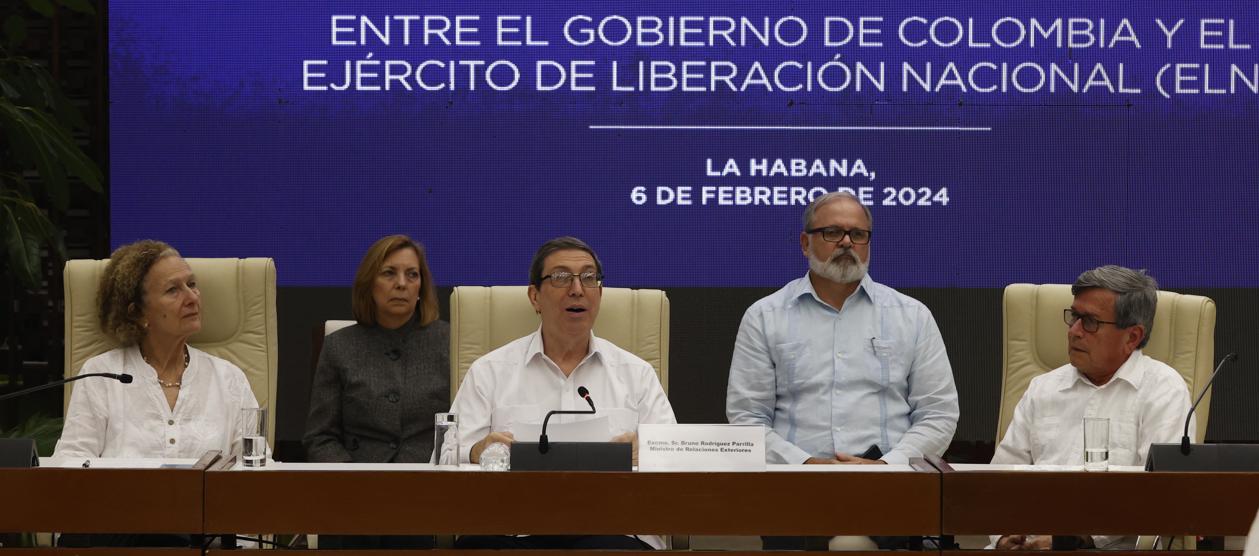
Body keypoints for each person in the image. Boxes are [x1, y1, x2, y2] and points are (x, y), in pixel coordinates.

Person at [725, 192, 959, 550]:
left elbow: (938, 413)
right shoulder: (764, 317)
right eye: (833, 232)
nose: (847, 242)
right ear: (805, 243)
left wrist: (888, 467)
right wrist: (804, 464)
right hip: (795, 490)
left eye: (858, 234)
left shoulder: (912, 316)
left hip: (893, 491)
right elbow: (747, 418)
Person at [449, 236, 675, 550]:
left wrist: (648, 453)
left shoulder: (636, 375)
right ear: (534, 297)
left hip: (613, 534)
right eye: (561, 277)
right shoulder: (489, 371)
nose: (577, 289)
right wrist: (475, 451)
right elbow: (444, 462)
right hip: (511, 533)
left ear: (600, 294)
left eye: (589, 278)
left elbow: (676, 464)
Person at [54, 240, 260, 547]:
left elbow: (255, 479)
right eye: (173, 290)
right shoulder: (101, 375)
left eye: (192, 285)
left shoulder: (229, 379)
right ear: (138, 313)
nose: (192, 297)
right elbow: (70, 468)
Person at [991, 266, 1192, 551]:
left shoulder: (1163, 390)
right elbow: (999, 480)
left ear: (1132, 337)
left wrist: (1067, 541)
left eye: (1089, 322)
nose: (1074, 331)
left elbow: (1158, 496)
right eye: (1074, 317)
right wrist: (1003, 536)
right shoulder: (1043, 388)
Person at [303, 234, 449, 550]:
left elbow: (462, 430)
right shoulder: (339, 346)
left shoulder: (449, 343)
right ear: (369, 284)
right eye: (389, 273)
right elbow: (320, 437)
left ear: (422, 288)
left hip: (424, 494)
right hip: (352, 495)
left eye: (412, 275)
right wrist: (354, 483)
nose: (402, 284)